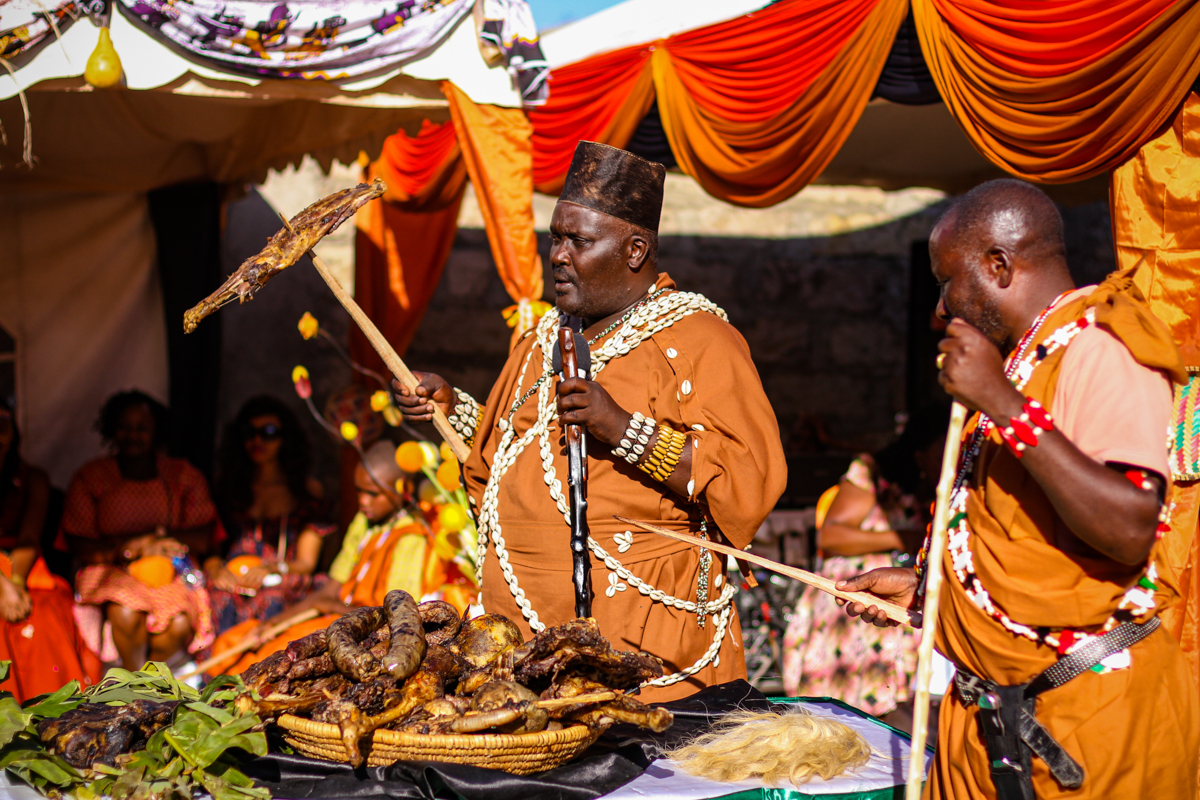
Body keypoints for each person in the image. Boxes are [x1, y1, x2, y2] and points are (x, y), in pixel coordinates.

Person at [840, 180, 1199, 798]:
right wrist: (932, 589)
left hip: (1086, 725)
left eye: (947, 282)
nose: (940, 308)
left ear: (999, 266)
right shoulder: (1021, 362)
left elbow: (1130, 527)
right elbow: (1029, 536)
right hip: (994, 723)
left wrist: (1003, 405)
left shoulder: (1099, 346)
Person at [395, 141, 786, 702]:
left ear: (633, 250)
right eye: (556, 236)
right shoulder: (543, 337)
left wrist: (621, 428)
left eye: (579, 240)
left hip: (641, 645)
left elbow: (747, 480)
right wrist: (450, 406)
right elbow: (514, 449)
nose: (557, 254)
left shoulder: (700, 340)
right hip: (514, 646)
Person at [207, 441, 441, 675]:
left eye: (373, 494)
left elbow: (394, 617)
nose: (363, 501)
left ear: (405, 489)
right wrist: (274, 624)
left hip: (362, 633)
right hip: (333, 616)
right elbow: (329, 589)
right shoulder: (364, 522)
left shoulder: (412, 537)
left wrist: (330, 607)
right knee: (237, 640)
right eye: (359, 491)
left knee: (273, 655)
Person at [782, 408, 945, 725]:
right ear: (921, 451)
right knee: (845, 717)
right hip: (856, 598)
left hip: (899, 608)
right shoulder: (873, 474)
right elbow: (832, 534)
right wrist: (904, 538)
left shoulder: (943, 490)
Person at [62, 391, 218, 671]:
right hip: (112, 570)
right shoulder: (92, 477)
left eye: (142, 428)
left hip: (168, 571)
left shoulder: (182, 475)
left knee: (179, 622)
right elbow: (78, 541)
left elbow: (204, 535)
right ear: (111, 429)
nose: (132, 435)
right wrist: (131, 547)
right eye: (124, 427)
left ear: (157, 432)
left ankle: (146, 686)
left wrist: (160, 542)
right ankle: (135, 682)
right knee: (125, 612)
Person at [0, 401, 102, 701]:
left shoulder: (33, 479)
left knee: (44, 612)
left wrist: (15, 583)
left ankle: (58, 715)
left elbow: (29, 537)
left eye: (2, 423)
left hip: (21, 563)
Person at [206, 396, 332, 635]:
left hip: (280, 576)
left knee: (274, 596)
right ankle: (221, 670)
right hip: (234, 577)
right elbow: (211, 549)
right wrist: (216, 570)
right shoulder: (228, 486)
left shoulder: (305, 490)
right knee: (219, 594)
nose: (257, 440)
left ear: (287, 438)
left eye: (269, 432)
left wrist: (274, 568)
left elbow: (306, 563)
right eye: (249, 432)